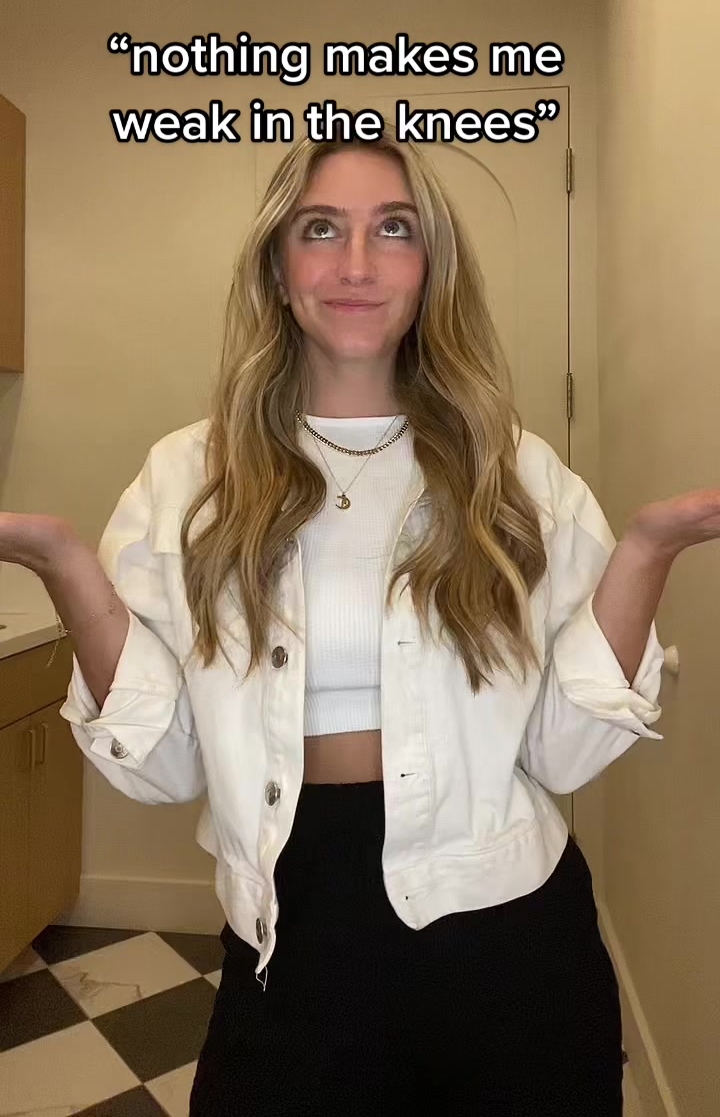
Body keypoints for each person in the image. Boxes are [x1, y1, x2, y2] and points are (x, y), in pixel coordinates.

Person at [2, 126, 719, 1116]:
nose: (354, 263)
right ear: (277, 266)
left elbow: (562, 753)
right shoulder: (189, 476)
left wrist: (646, 550)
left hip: (510, 931)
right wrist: (61, 562)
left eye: (393, 228)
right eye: (319, 228)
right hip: (289, 924)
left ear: (432, 268)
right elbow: (161, 766)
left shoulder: (515, 471)